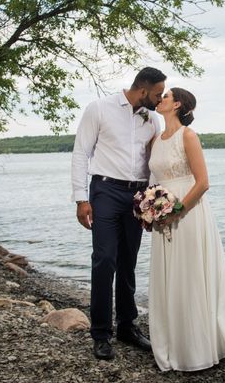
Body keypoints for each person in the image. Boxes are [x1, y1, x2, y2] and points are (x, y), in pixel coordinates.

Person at [71, 67, 166, 360]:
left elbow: (154, 160)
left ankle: (127, 326)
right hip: (105, 192)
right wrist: (80, 199)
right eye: (158, 94)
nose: (160, 99)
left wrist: (153, 199)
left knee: (128, 262)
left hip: (137, 196)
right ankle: (100, 333)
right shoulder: (99, 108)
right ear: (143, 90)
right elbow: (80, 153)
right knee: (104, 261)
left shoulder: (154, 119)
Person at [148, 88, 225, 371]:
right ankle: (173, 343)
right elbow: (153, 180)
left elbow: (202, 183)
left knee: (188, 275)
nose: (160, 98)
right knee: (169, 278)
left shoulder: (188, 136)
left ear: (177, 104)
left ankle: (197, 346)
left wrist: (177, 211)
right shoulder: (156, 139)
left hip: (188, 213)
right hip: (162, 214)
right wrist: (150, 209)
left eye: (165, 96)